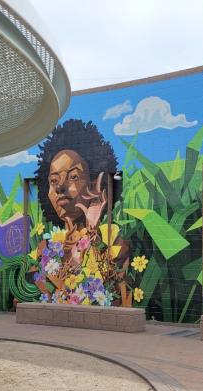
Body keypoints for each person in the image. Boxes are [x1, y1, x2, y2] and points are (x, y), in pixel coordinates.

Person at [33, 119, 131, 304]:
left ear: (95, 184)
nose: (60, 186)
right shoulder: (44, 250)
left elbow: (120, 298)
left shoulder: (114, 243)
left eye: (73, 177)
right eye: (53, 181)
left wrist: (92, 231)